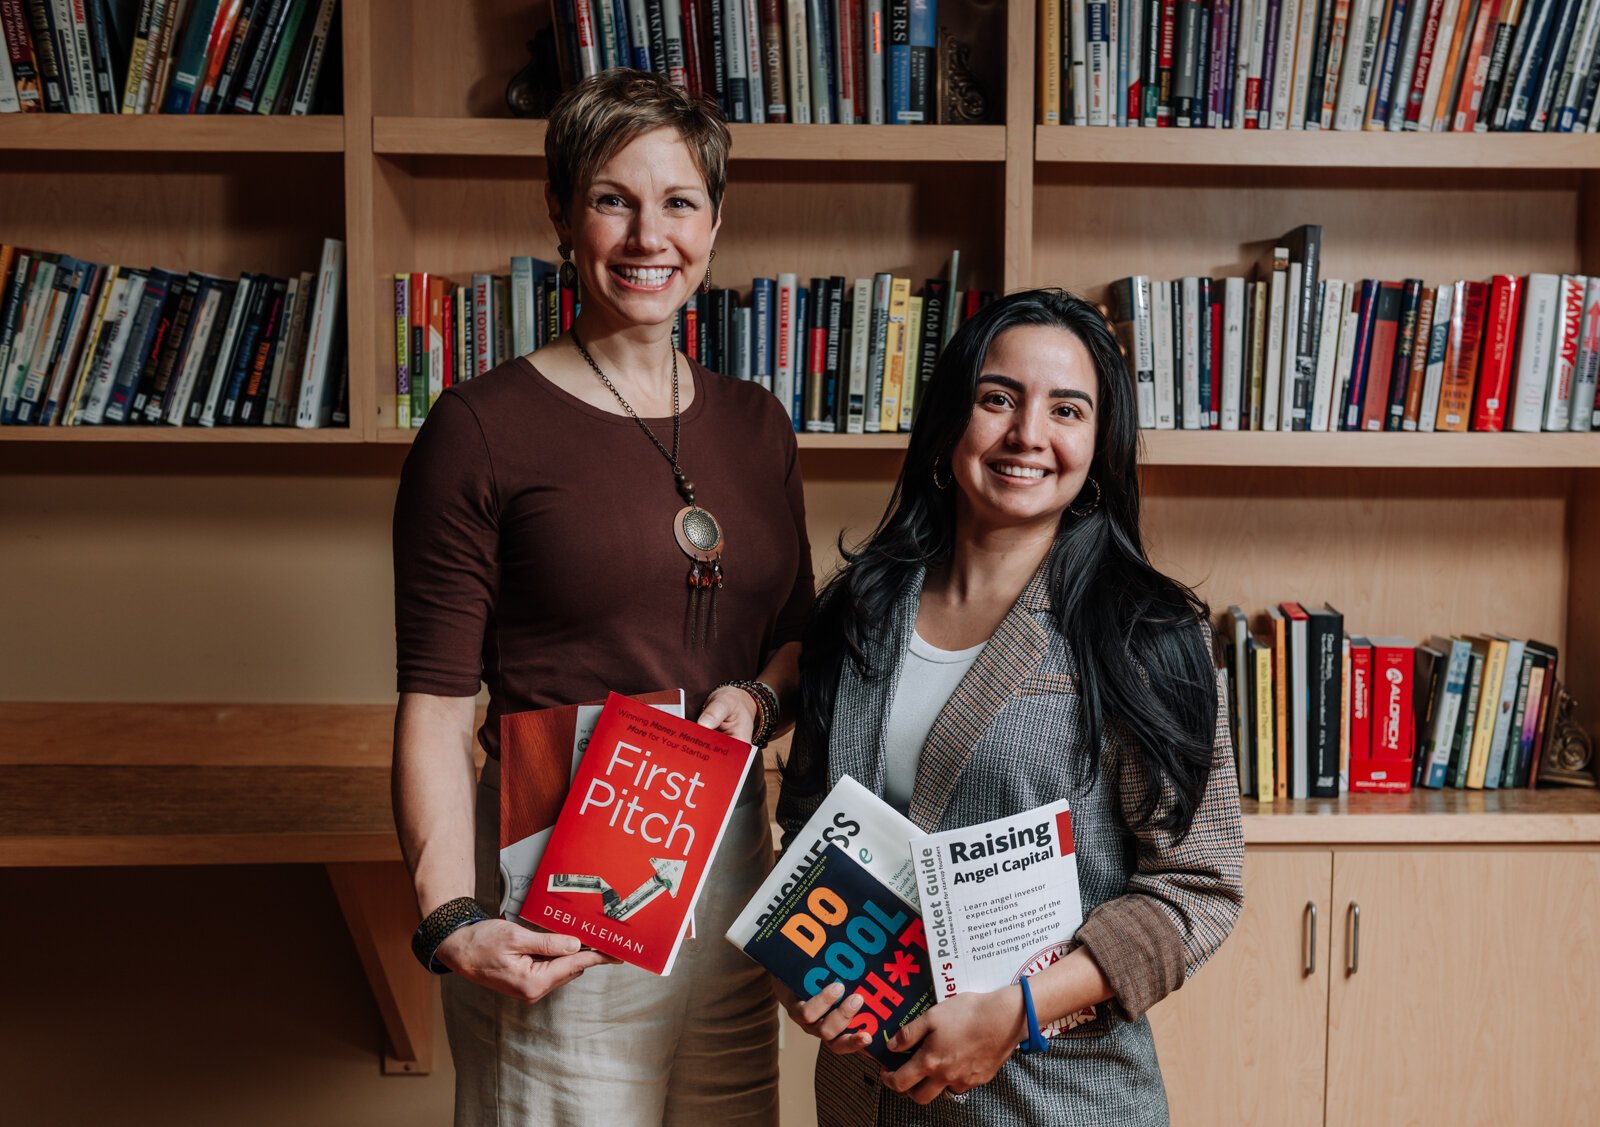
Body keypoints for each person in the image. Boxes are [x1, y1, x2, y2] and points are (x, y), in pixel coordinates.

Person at [391, 69, 812, 1126]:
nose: (647, 234)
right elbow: (438, 705)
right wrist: (448, 914)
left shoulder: (758, 424)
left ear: (715, 220)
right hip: (561, 883)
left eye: (677, 201)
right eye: (613, 197)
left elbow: (801, 640)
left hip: (728, 872)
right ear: (561, 211)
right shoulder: (479, 428)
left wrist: (757, 704)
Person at [776, 288, 1245, 1125]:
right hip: (862, 1100)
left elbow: (1198, 888)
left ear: (1099, 446)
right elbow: (810, 837)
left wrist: (1019, 1009)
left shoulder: (1143, 632)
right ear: (952, 419)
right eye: (999, 398)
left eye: (1067, 409)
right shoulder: (857, 615)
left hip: (1056, 1099)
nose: (1028, 434)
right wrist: (804, 980)